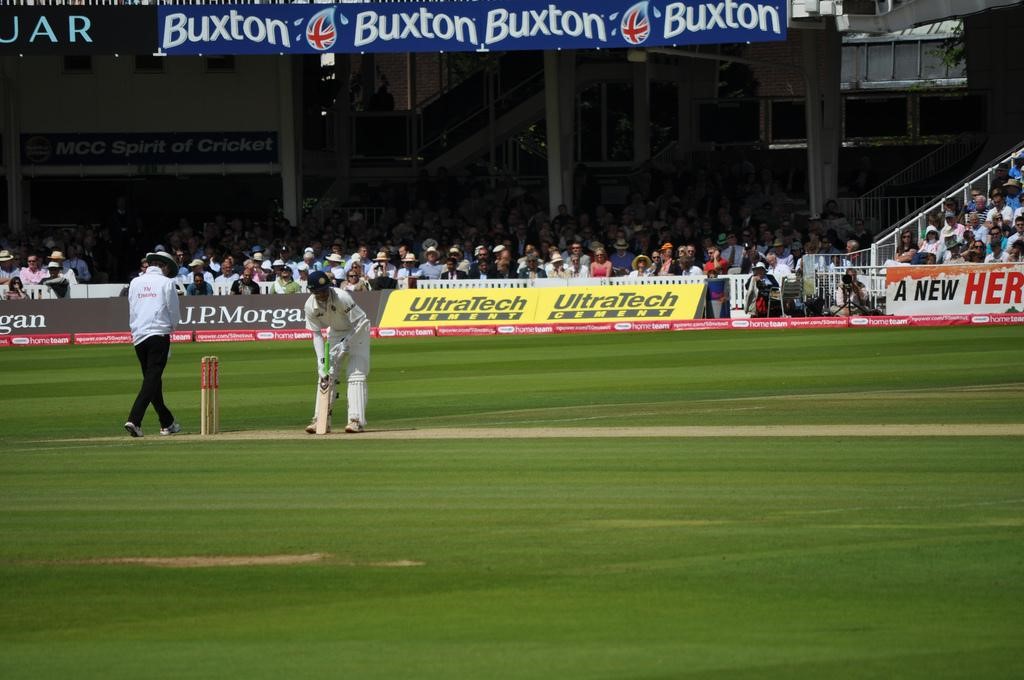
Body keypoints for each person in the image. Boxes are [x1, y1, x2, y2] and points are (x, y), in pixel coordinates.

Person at [303, 270, 370, 434]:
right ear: (312, 292)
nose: (323, 294)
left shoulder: (342, 297)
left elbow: (361, 321)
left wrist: (346, 343)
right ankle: (321, 419)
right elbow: (317, 334)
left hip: (358, 330)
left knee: (356, 375)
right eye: (318, 292)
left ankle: (356, 421)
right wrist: (321, 361)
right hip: (335, 333)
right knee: (326, 375)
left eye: (325, 290)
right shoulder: (309, 306)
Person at [125, 251, 181, 438]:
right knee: (151, 380)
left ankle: (167, 422)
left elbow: (132, 308)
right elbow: (173, 310)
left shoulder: (135, 282)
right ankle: (135, 419)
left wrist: (135, 330)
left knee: (153, 380)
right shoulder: (167, 283)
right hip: (158, 334)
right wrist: (171, 328)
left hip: (139, 336)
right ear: (164, 266)